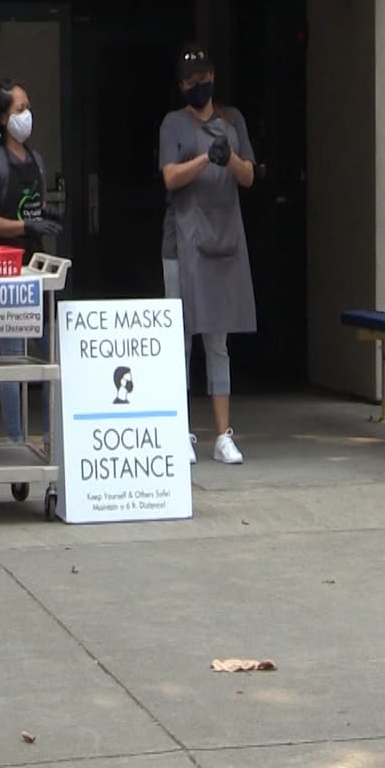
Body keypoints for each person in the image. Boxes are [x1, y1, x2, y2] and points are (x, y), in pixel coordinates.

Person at [159, 43, 256, 465]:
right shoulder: (172, 124)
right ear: (181, 85)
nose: (198, 86)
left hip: (224, 240)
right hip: (182, 244)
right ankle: (181, 431)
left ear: (214, 77)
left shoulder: (233, 121)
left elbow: (249, 175)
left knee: (218, 340)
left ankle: (222, 435)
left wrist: (228, 157)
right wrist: (203, 159)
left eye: (203, 78)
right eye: (189, 81)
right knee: (180, 339)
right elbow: (170, 176)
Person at [0, 80, 61, 446]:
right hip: (5, 265)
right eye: (18, 110)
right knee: (13, 358)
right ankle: (15, 440)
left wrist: (45, 216)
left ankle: (51, 435)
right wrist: (26, 224)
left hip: (36, 264)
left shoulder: (37, 159)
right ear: (2, 116)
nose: (25, 116)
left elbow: (36, 206)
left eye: (28, 108)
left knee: (49, 354)